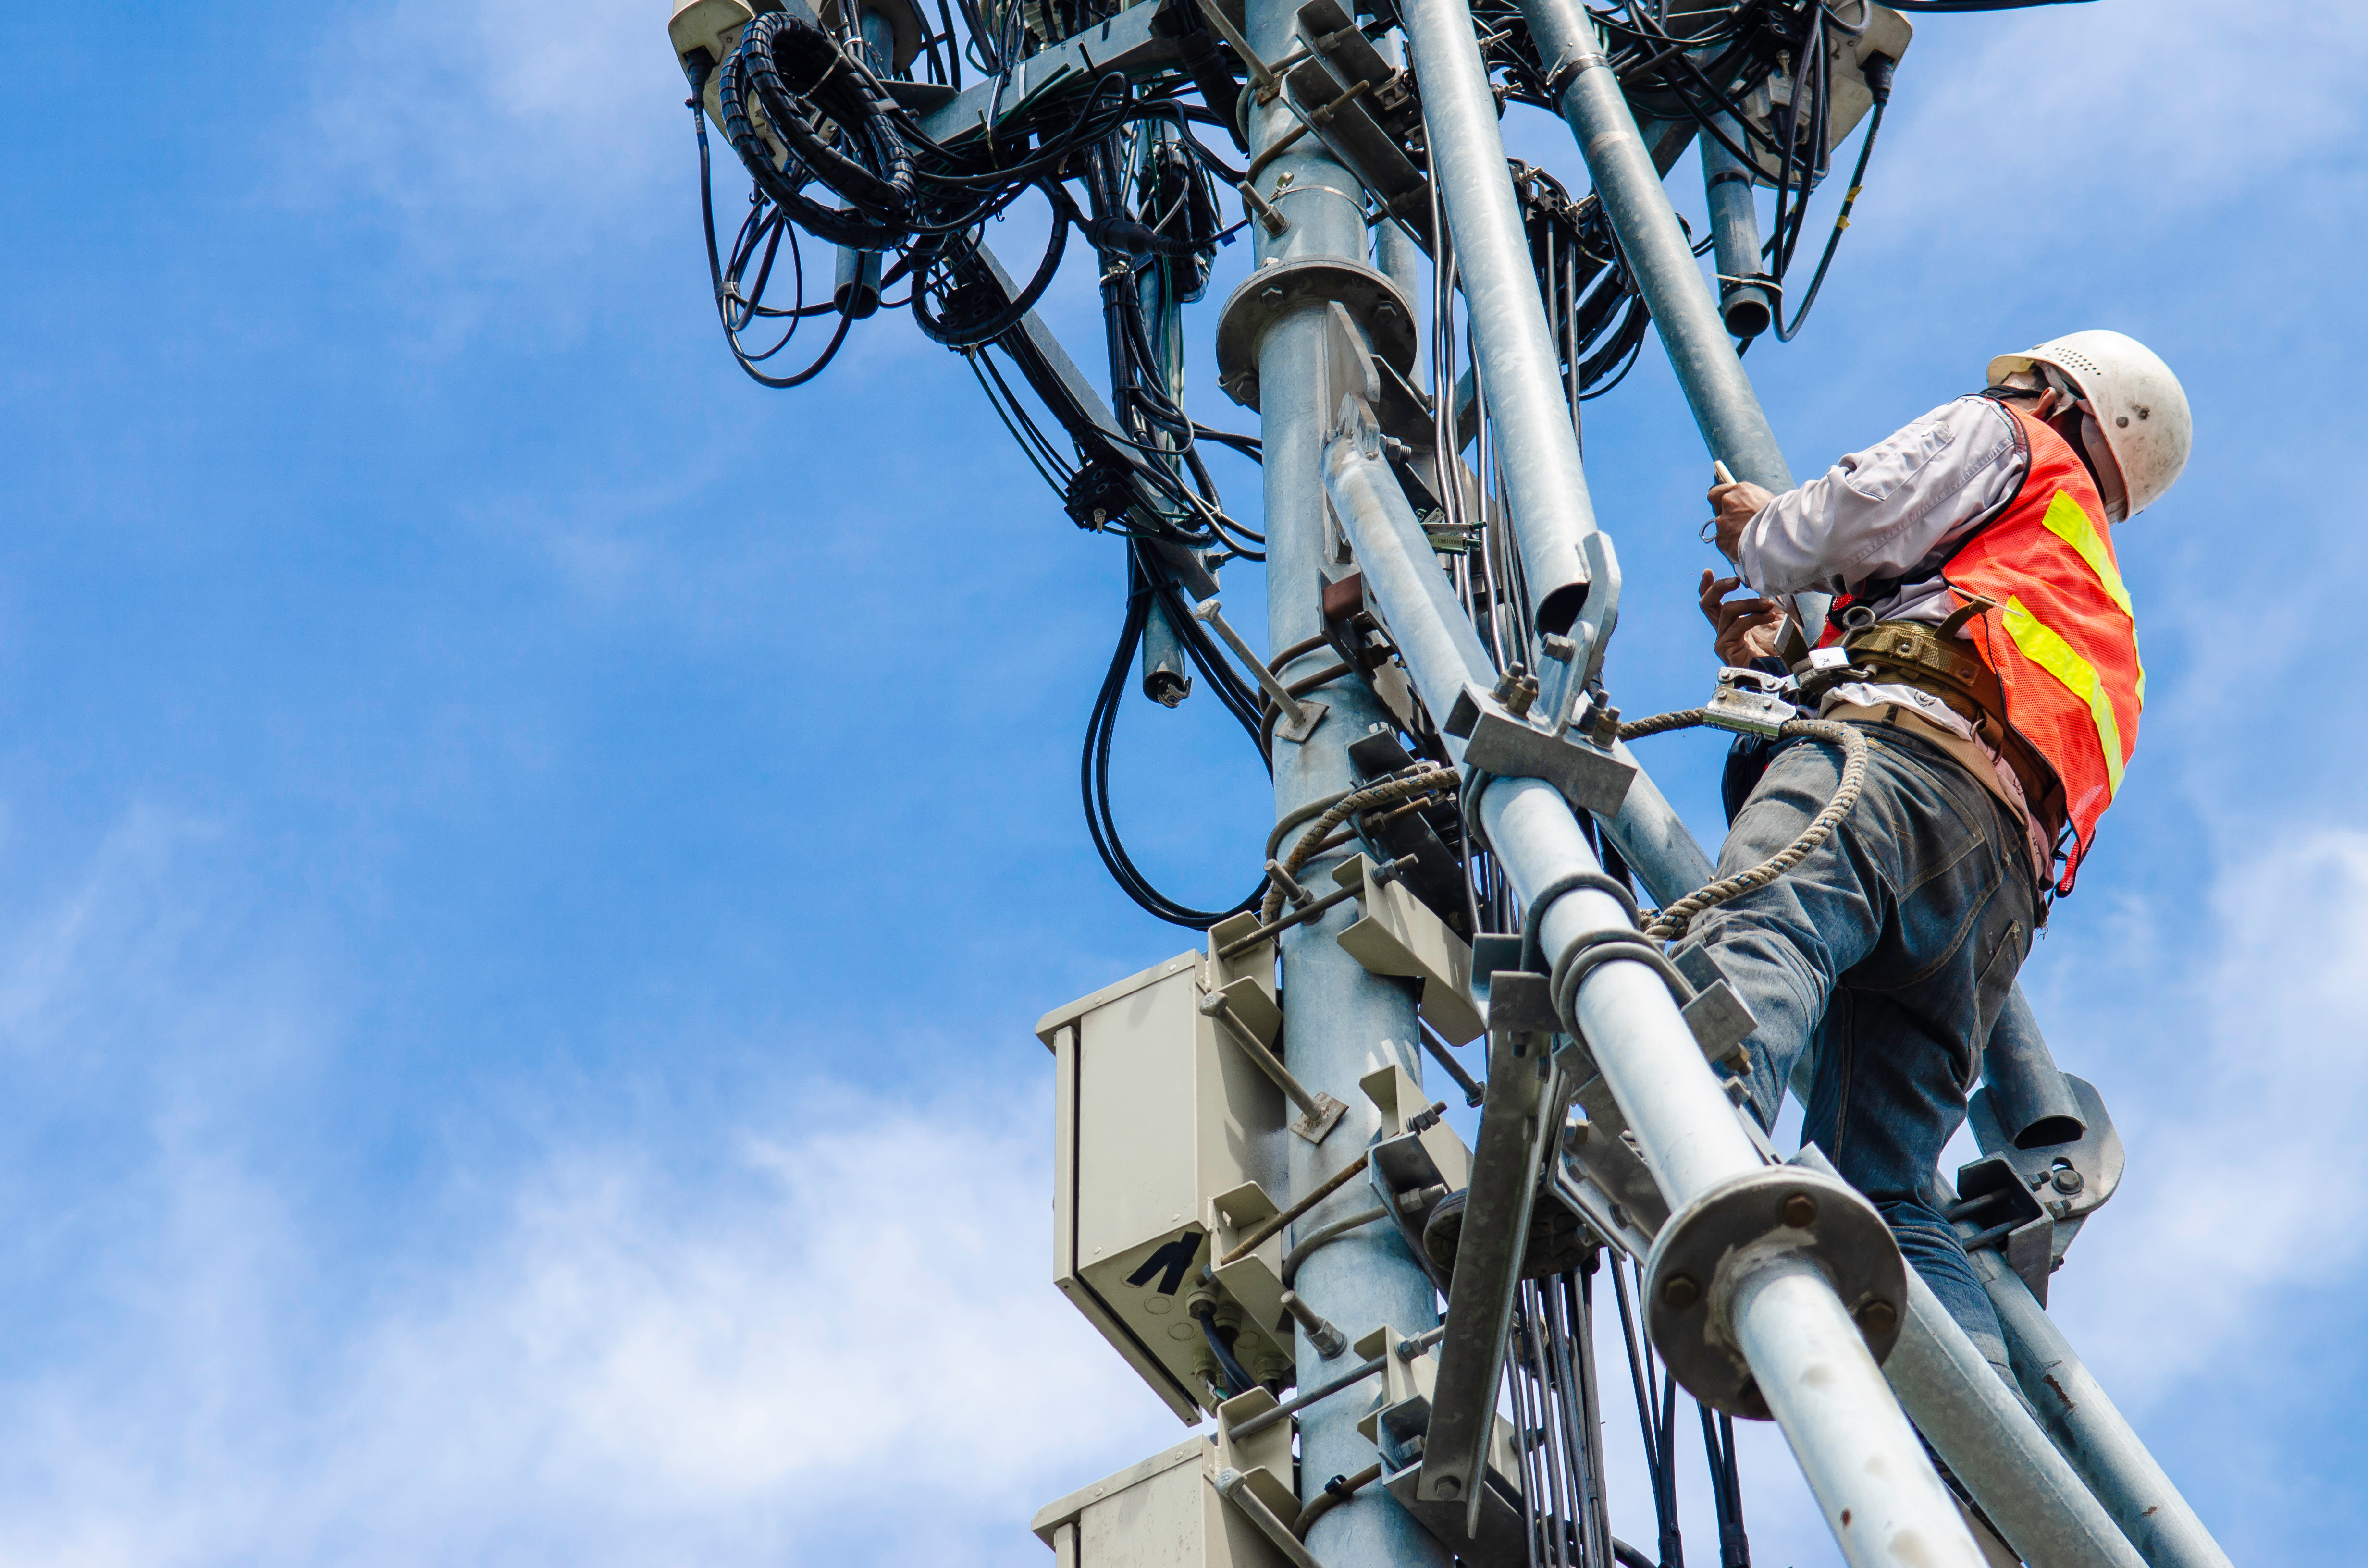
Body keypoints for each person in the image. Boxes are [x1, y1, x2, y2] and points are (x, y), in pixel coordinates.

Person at [1686, 331, 2191, 1382]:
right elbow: (1966, 657)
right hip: (1989, 887)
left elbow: (1863, 507)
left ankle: (1685, 1140)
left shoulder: (2013, 440)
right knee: (1889, 1186)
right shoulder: (2090, 596)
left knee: (1760, 934)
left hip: (1895, 775)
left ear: (2060, 394)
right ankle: (1988, 1465)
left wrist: (1764, 532)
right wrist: (1788, 654)